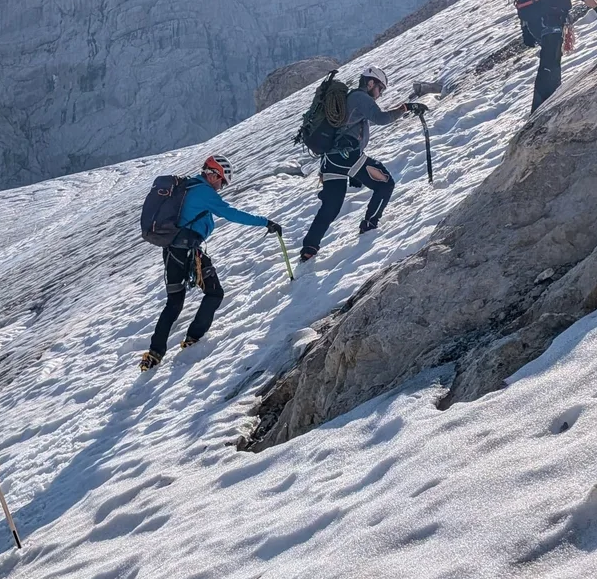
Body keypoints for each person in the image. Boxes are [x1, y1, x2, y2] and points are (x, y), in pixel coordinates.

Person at [141, 154, 280, 370]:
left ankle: (154, 354)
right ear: (214, 175)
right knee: (214, 293)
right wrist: (265, 223)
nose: (221, 187)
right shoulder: (204, 192)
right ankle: (193, 339)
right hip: (189, 253)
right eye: (222, 181)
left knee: (174, 303)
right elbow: (231, 214)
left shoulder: (189, 186)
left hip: (172, 251)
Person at [299, 70, 424, 262]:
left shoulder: (350, 98)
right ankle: (369, 226)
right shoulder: (360, 97)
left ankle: (309, 247)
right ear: (371, 83)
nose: (380, 93)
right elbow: (381, 118)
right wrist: (406, 107)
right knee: (385, 183)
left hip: (330, 161)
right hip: (348, 156)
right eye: (380, 88)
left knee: (331, 206)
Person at [525, 0, 595, 111]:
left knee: (548, 60)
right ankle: (542, 110)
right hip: (552, 16)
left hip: (532, 21)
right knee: (550, 62)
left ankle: (544, 105)